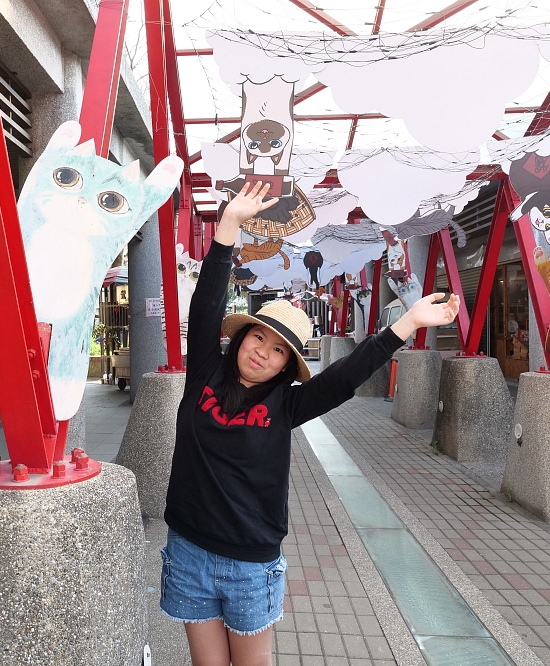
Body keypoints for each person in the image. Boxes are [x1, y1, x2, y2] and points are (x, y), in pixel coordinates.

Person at [160, 181, 460, 666]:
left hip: (250, 561)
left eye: (279, 350)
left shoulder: (287, 405)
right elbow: (204, 308)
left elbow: (344, 378)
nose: (263, 351)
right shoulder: (204, 378)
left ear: (287, 365)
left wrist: (406, 322)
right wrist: (229, 227)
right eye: (258, 337)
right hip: (189, 548)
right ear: (240, 340)